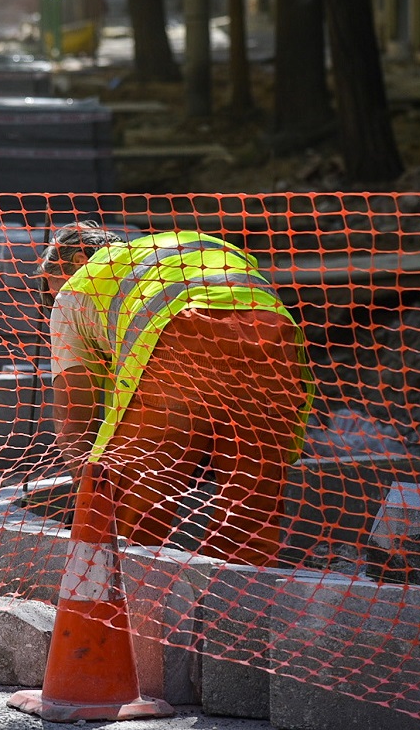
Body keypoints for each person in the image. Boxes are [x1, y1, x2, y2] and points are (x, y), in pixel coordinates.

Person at [35, 223, 314, 568]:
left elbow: (74, 417)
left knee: (134, 504)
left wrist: (91, 494)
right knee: (250, 502)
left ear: (77, 259)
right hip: (273, 343)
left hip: (178, 343)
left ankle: (124, 605)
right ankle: (237, 609)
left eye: (49, 284)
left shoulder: (77, 288)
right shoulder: (173, 250)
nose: (51, 297)